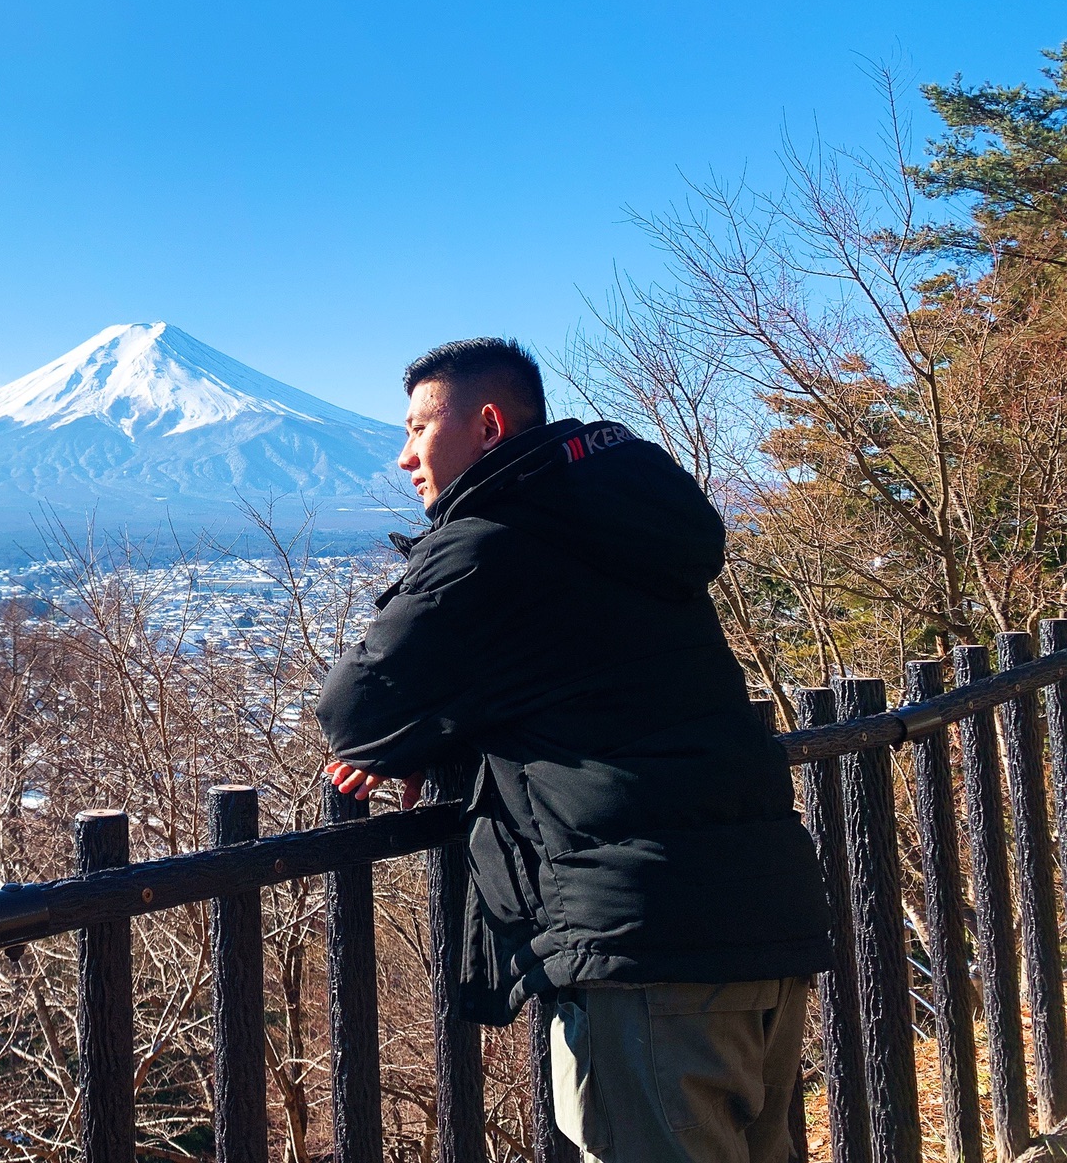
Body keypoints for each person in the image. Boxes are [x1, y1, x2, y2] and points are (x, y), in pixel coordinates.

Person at [316, 338, 830, 1163]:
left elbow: (354, 710)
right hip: (761, 909)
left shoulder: (490, 543)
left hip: (643, 945)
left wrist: (432, 738)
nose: (404, 455)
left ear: (487, 425)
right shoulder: (626, 525)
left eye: (418, 428)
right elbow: (579, 681)